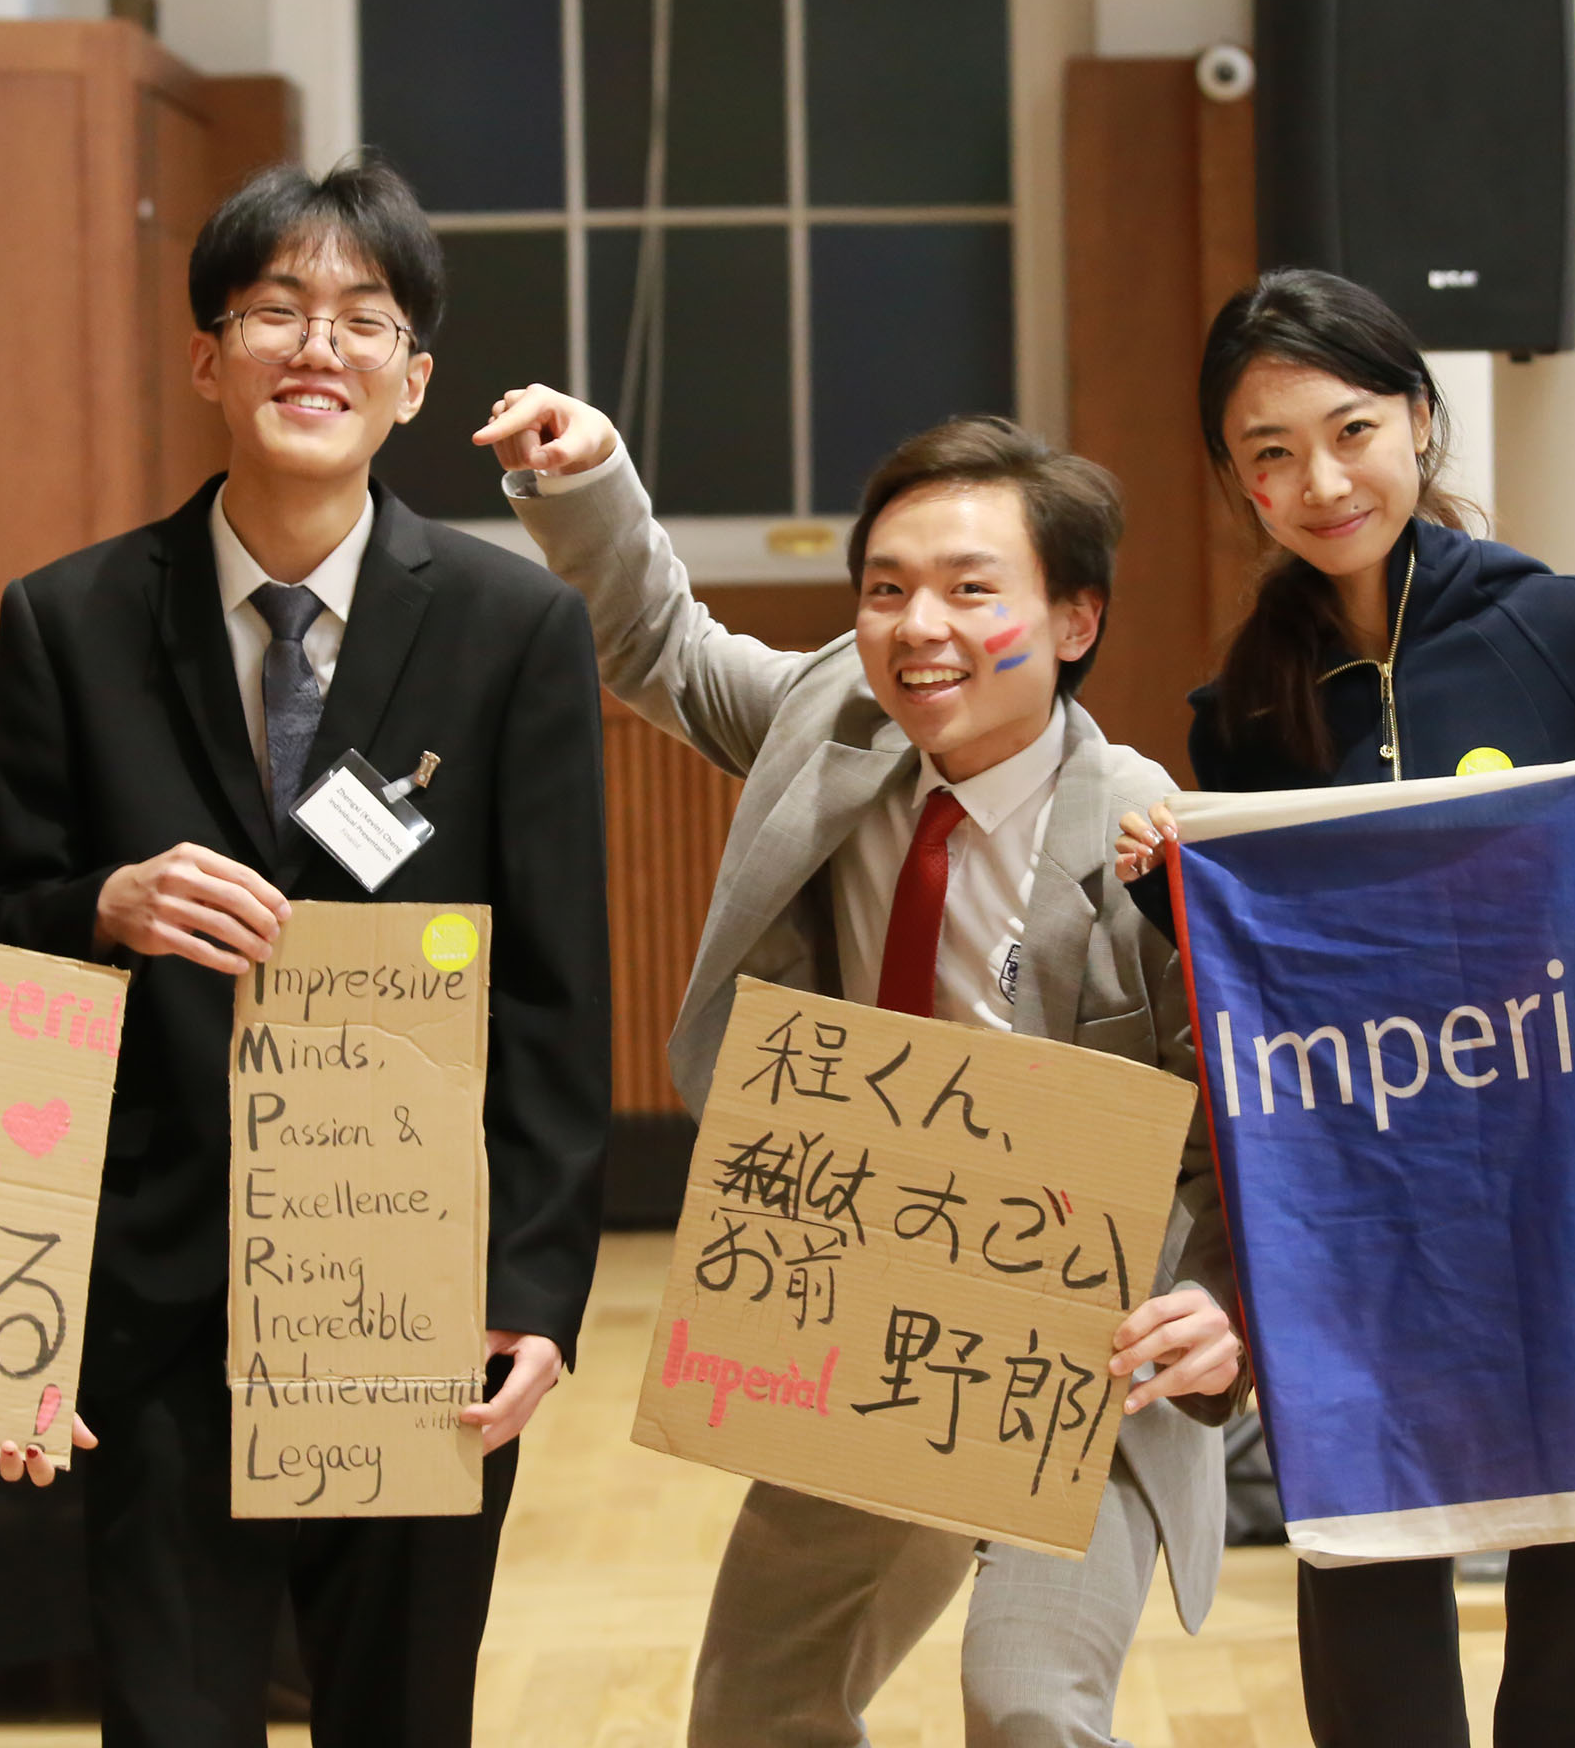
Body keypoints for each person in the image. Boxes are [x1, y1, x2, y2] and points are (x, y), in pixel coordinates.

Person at [477, 388, 1244, 1748]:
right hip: (868, 1314)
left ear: (1075, 621)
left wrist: (1222, 1303)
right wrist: (587, 479)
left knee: (1030, 1709)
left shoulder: (1149, 837)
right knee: (754, 1713)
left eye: (970, 589)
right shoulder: (831, 722)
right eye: (887, 590)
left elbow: (1249, 1124)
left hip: (1086, 1360)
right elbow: (659, 643)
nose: (918, 627)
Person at [0, 156, 611, 1746]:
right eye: (274, 311)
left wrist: (532, 1292)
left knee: (404, 1715)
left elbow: (554, 996)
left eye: (361, 319)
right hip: (152, 1299)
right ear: (208, 358)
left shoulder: (513, 628)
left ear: (414, 380)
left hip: (416, 1291)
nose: (317, 347)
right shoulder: (69, 620)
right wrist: (102, 906)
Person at [1114, 267, 1575, 1748]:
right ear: (1238, 480)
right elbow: (1268, 989)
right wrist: (1168, 890)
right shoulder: (1242, 711)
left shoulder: (1574, 630)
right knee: (1368, 1596)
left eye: (1351, 430)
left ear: (1421, 420)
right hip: (1366, 1227)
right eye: (1271, 454)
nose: (1321, 483)